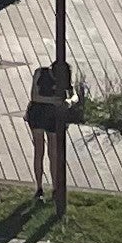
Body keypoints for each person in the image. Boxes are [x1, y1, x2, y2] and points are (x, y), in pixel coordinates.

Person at [25, 57, 78, 196]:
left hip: (53, 115)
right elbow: (34, 95)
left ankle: (55, 187)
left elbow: (74, 95)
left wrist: (69, 102)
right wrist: (54, 101)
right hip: (38, 112)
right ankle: (39, 186)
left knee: (53, 153)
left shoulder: (63, 80)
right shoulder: (40, 73)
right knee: (39, 150)